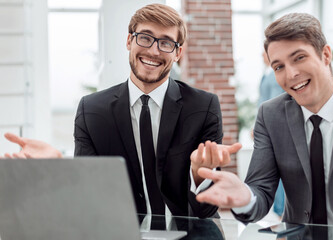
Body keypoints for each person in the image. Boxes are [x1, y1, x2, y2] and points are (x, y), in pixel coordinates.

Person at [2, 4, 241, 219]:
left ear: (178, 53)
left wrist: (200, 174)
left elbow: (205, 210)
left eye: (166, 42)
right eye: (145, 38)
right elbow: (87, 198)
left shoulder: (203, 107)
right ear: (129, 41)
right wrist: (58, 167)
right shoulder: (91, 110)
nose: (154, 51)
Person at [196, 12, 333, 225]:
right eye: (279, 67)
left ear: (325, 55)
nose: (291, 74)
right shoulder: (271, 115)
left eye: (299, 58)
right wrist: (244, 197)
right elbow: (260, 190)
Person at [258, 51, 285, 218]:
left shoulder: (276, 76)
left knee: (282, 168)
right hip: (266, 126)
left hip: (277, 126)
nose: (262, 56)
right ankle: (278, 210)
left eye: (264, 54)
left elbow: (277, 100)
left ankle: (282, 210)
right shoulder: (266, 75)